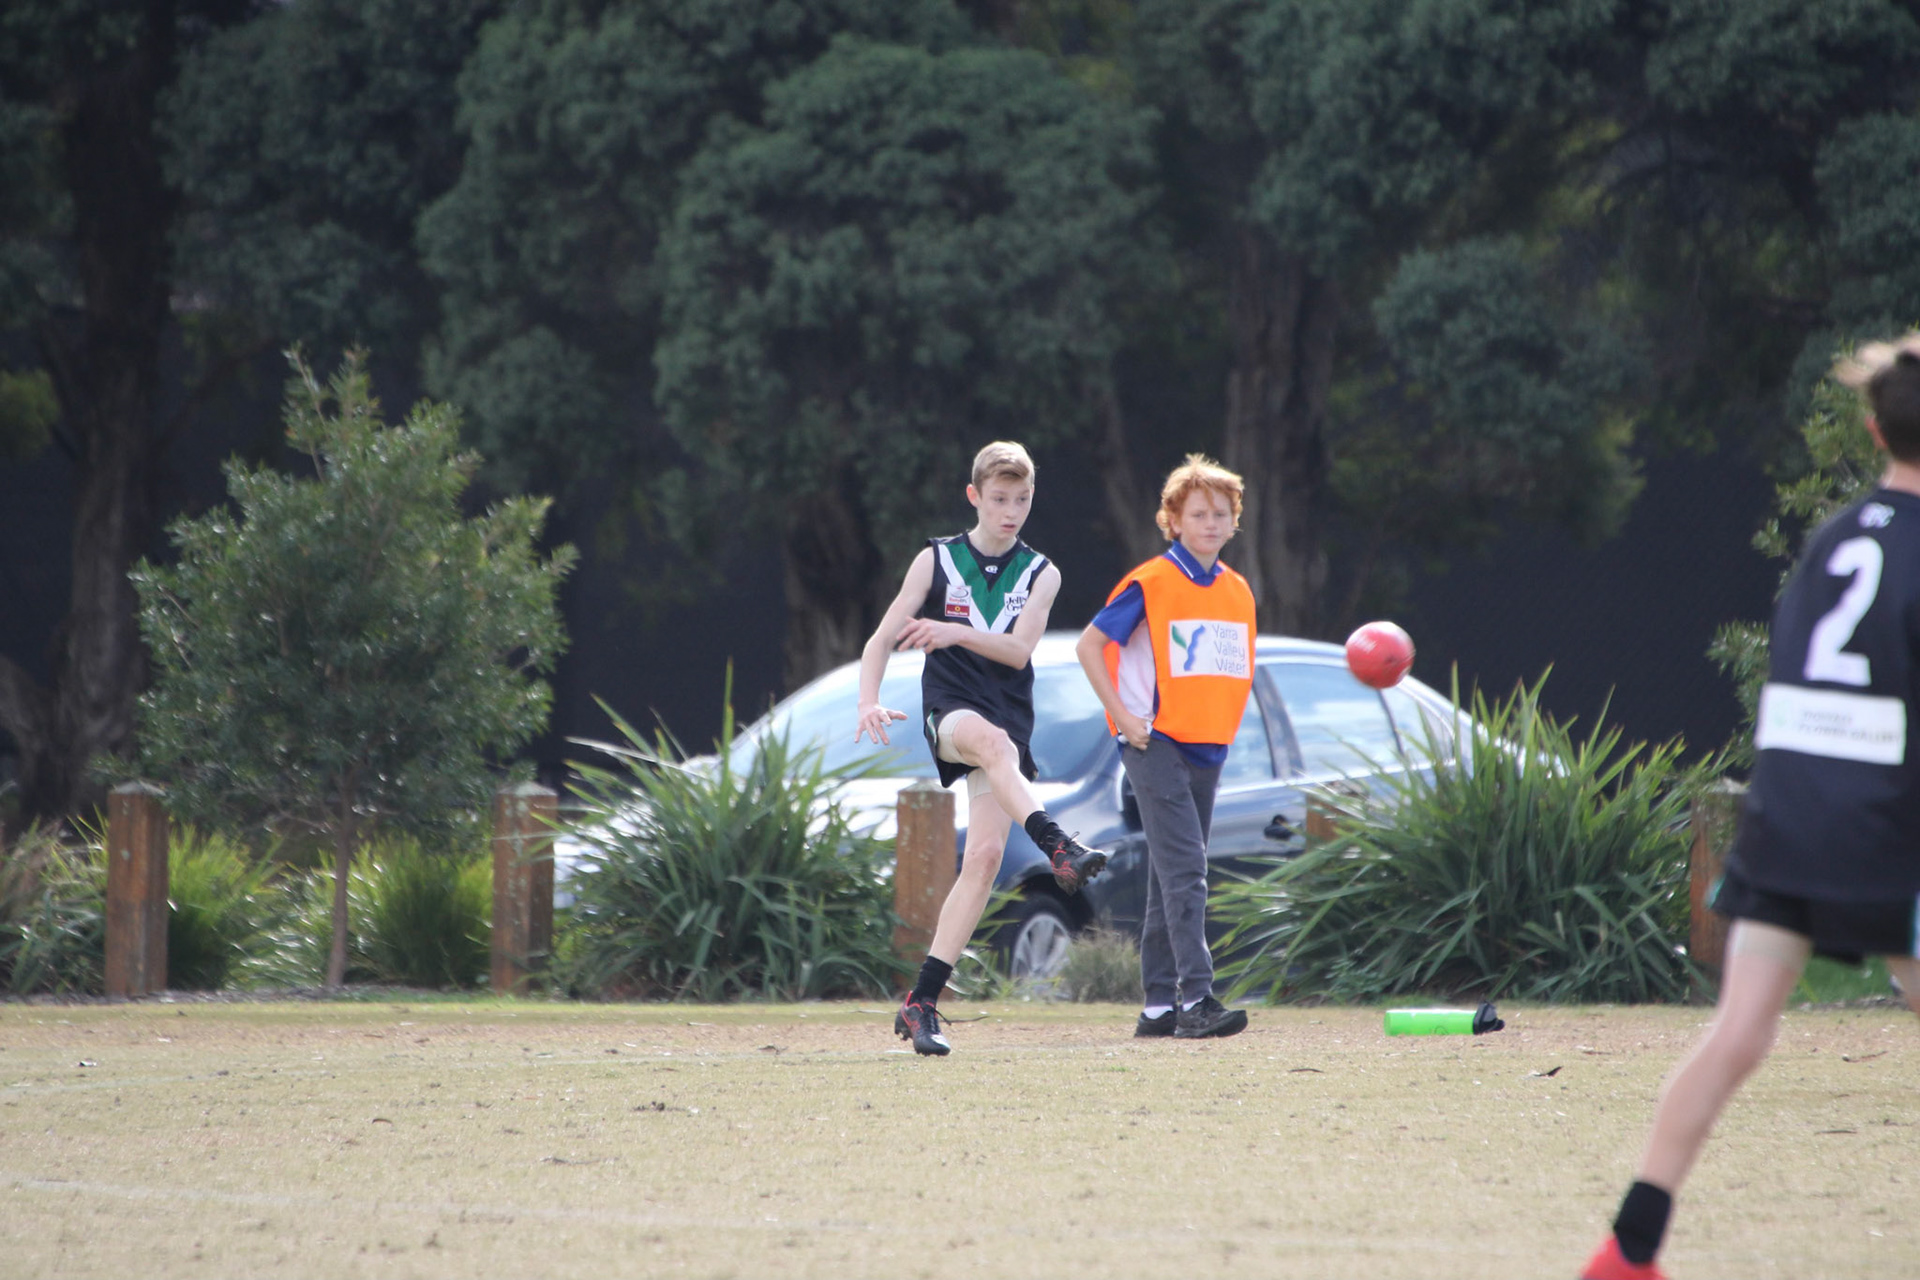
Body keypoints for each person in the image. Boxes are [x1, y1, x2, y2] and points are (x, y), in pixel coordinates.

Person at [1580, 337, 1920, 1280]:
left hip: (1790, 816)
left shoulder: (1834, 539)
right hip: (1886, 828)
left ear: (1871, 428)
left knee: (1738, 1033)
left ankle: (1630, 1248)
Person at [856, 441, 1110, 1056]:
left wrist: (952, 631)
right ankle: (1060, 846)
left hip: (1006, 720)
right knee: (993, 745)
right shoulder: (936, 560)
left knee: (987, 857)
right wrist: (868, 700)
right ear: (974, 496)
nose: (1010, 511)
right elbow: (882, 638)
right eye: (999, 499)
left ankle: (921, 1003)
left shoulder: (1042, 572)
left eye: (1021, 500)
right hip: (952, 710)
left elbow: (1018, 652)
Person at [1074, 454, 1256, 1040]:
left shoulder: (1237, 589)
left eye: (1221, 513)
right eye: (1198, 513)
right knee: (1188, 872)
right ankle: (1197, 998)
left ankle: (1157, 1007)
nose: (1211, 522)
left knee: (1169, 874)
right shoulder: (1151, 583)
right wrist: (1123, 718)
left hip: (1208, 748)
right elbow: (1089, 645)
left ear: (1234, 521)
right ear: (1172, 521)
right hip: (1155, 742)